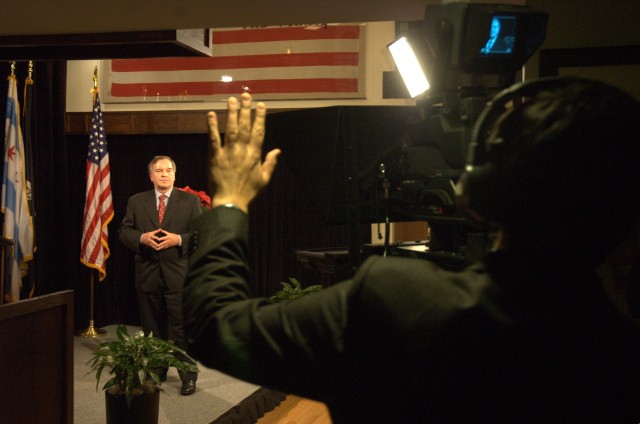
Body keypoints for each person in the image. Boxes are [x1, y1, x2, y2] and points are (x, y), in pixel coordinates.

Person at [182, 81, 640, 423]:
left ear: (478, 191)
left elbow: (218, 327)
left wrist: (229, 201)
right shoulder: (619, 362)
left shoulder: (392, 301)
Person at [118, 155, 202, 395]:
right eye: (159, 170)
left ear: (174, 175)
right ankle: (158, 370)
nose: (164, 174)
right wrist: (141, 238)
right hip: (148, 274)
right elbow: (124, 231)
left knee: (180, 329)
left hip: (178, 275)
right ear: (151, 176)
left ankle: (188, 376)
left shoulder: (190, 201)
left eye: (168, 170)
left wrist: (179, 239)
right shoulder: (137, 201)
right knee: (152, 329)